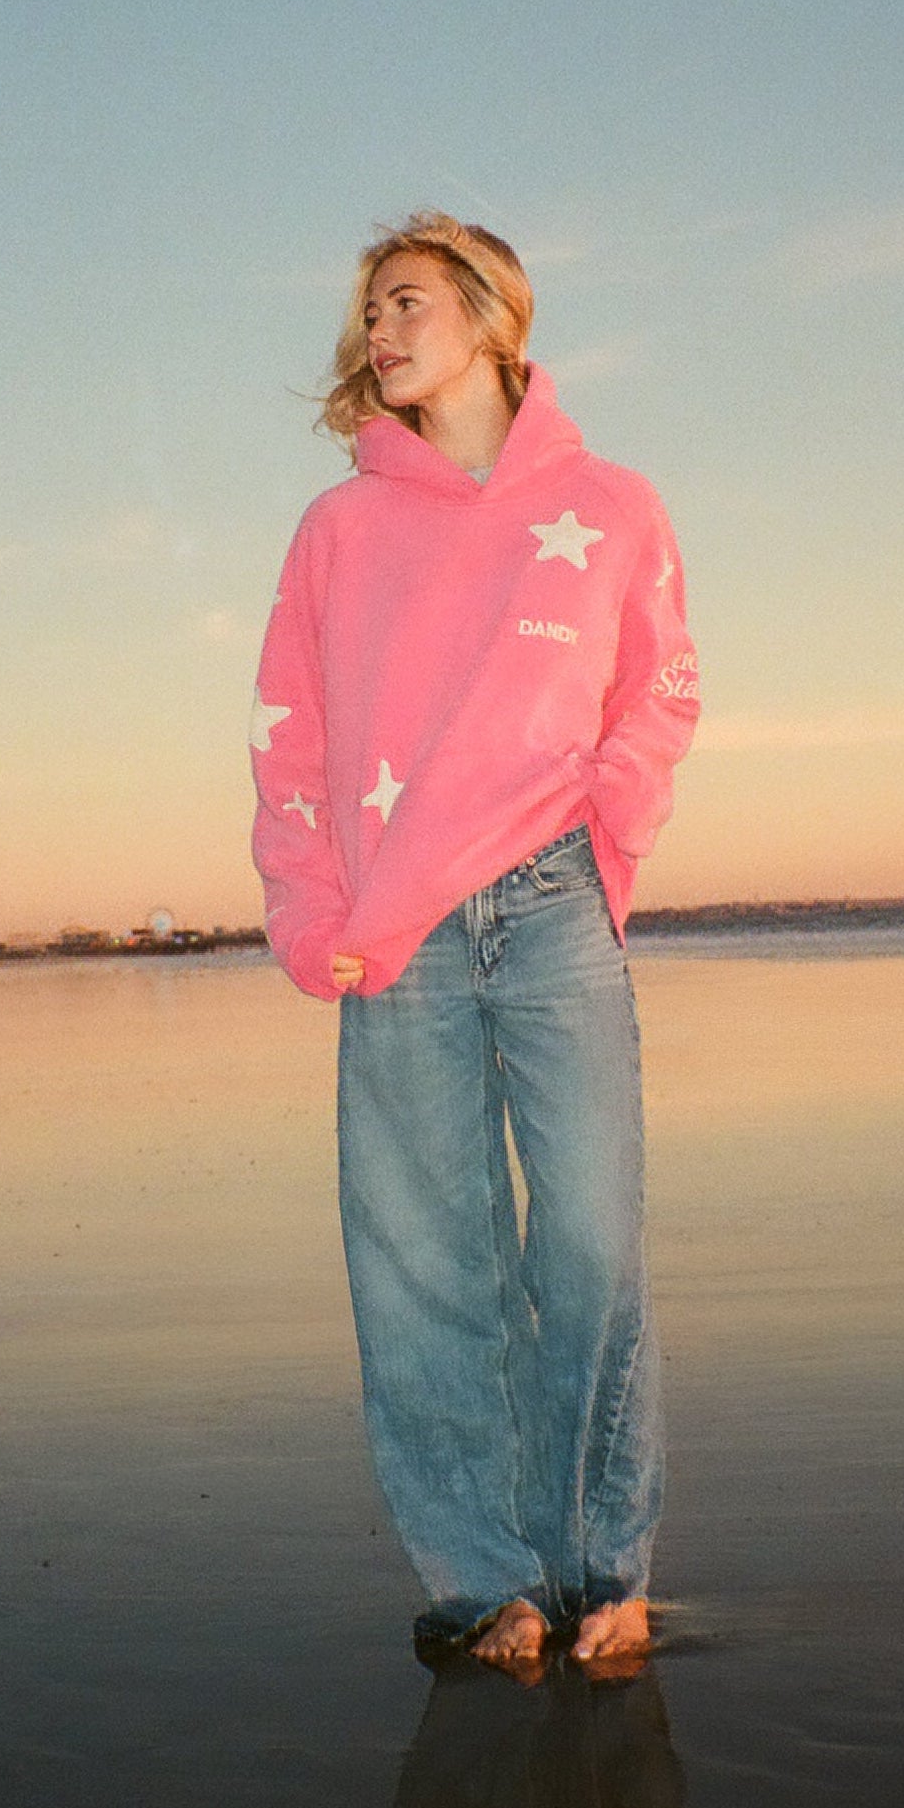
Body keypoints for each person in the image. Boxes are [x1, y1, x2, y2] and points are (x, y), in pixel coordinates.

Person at [248, 211, 699, 1675]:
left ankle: (605, 1571)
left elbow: (660, 689)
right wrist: (309, 909)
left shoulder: (611, 506)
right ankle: (485, 1582)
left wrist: (609, 820)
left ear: (495, 318)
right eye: (369, 313)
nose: (377, 331)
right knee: (426, 1265)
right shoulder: (338, 530)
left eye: (407, 302)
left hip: (552, 904)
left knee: (590, 1248)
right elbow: (289, 735)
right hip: (395, 933)